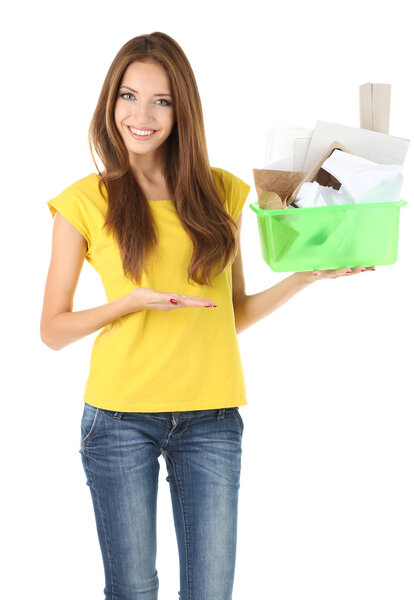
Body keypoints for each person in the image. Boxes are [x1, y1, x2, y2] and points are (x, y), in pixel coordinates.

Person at [40, 32, 373, 600]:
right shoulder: (83, 201)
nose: (140, 114)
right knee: (133, 589)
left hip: (212, 420)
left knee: (210, 592)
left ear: (183, 109)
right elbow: (52, 330)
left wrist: (302, 279)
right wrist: (129, 302)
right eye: (128, 96)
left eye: (161, 100)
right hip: (120, 420)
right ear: (109, 103)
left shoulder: (221, 193)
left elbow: (230, 314)